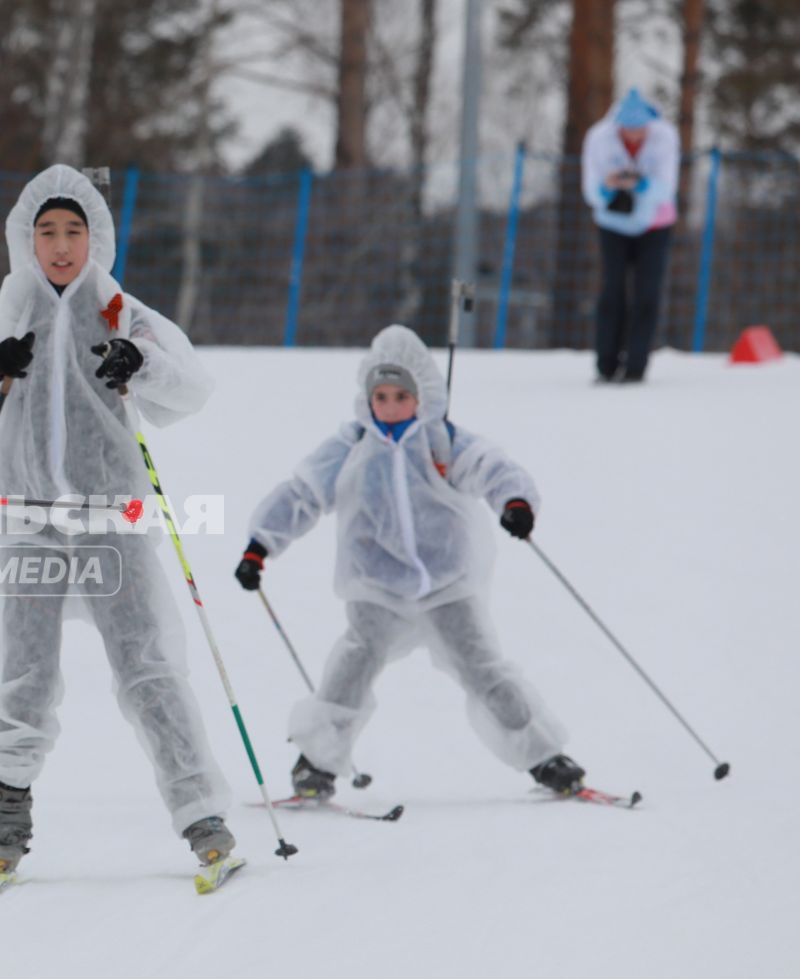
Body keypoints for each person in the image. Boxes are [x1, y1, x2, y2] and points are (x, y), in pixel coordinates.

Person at [0, 165, 237, 896]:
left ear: (97, 238)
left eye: (75, 232)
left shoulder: (124, 311)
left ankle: (203, 819)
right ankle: (9, 819)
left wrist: (144, 366)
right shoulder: (0, 317)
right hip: (30, 523)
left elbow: (190, 389)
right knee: (26, 677)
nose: (61, 247)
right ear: (24, 239)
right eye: (47, 232)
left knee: (148, 668)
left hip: (110, 522)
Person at [234, 323, 587, 799]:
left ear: (422, 396)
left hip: (447, 586)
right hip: (376, 588)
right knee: (352, 665)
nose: (391, 406)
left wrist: (515, 503)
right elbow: (303, 493)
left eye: (401, 395)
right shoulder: (351, 445)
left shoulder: (442, 441)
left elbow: (492, 466)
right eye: (380, 395)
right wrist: (260, 545)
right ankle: (316, 763)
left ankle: (545, 757)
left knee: (484, 668)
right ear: (367, 397)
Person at [580, 87, 680, 383]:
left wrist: (640, 185)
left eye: (640, 130)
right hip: (614, 224)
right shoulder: (599, 137)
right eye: (628, 129)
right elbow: (591, 191)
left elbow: (666, 188)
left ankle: (636, 365)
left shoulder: (665, 136)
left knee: (647, 294)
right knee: (612, 292)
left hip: (655, 224)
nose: (634, 135)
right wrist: (608, 187)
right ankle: (605, 364)